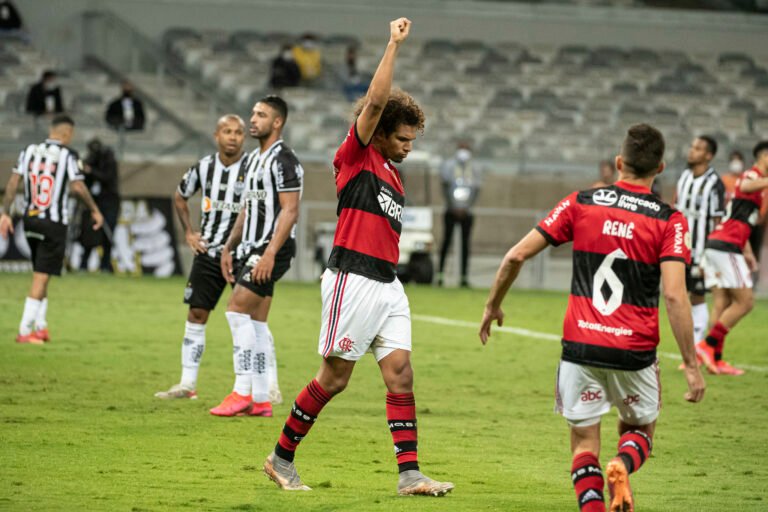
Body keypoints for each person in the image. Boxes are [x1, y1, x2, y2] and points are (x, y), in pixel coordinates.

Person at [262, 18, 454, 497]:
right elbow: (374, 102)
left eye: (413, 140)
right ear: (381, 132)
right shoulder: (357, 155)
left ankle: (410, 475)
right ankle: (280, 458)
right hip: (353, 278)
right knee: (335, 378)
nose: (409, 147)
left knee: (401, 374)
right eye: (403, 139)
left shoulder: (393, 172)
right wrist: (393, 44)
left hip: (388, 284)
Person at [479, 123, 705, 512]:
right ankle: (622, 464)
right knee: (639, 430)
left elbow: (515, 255)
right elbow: (674, 294)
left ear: (619, 163)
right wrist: (691, 364)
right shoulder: (670, 219)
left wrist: (492, 305)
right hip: (634, 351)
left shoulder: (580, 202)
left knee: (584, 444)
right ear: (660, 168)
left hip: (580, 346)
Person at [210, 96, 303, 417]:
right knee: (256, 321)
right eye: (253, 113)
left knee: (236, 310)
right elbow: (247, 208)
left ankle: (241, 391)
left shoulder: (285, 160)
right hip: (250, 248)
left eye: (261, 115)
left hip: (271, 248)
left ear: (277, 122)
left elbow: (290, 211)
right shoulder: (251, 160)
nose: (253, 119)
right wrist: (228, 246)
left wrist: (269, 254)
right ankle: (261, 399)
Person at [154, 115, 248, 400]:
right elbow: (180, 196)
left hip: (242, 255)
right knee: (196, 313)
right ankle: (187, 384)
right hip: (209, 253)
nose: (233, 137)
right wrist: (189, 232)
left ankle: (265, 387)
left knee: (250, 318)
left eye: (238, 132)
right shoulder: (203, 167)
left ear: (244, 138)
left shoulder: (253, 167)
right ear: (216, 135)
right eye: (227, 131)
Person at [0, 115, 104, 344]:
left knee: (42, 272)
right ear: (67, 133)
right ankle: (24, 331)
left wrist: (5, 213)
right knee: (41, 277)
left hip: (29, 221)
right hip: (53, 223)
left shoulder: (28, 151)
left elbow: (13, 182)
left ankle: (41, 326)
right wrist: (95, 210)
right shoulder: (68, 155)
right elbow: (78, 186)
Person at [697, 140, 768, 375]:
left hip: (720, 244)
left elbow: (739, 220)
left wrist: (748, 253)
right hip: (726, 246)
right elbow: (746, 185)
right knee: (745, 302)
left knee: (724, 303)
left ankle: (715, 359)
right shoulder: (752, 176)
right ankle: (707, 345)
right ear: (764, 157)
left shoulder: (758, 184)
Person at [674, 136, 725, 342]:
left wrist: (709, 256)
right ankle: (689, 343)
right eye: (692, 146)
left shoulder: (714, 183)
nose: (691, 151)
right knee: (677, 296)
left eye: (698, 148)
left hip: (700, 253)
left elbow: (717, 221)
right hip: (679, 248)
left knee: (697, 296)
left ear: (708, 155)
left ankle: (696, 345)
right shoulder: (685, 176)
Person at [436, 142, 482, 287]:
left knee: (465, 244)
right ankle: (440, 275)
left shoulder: (474, 167)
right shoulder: (449, 165)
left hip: (467, 212)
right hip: (451, 210)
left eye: (466, 149)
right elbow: (444, 186)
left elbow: (476, 189)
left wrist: (466, 207)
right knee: (446, 242)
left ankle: (463, 277)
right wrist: (452, 206)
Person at [79, 138, 120, 272]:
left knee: (108, 233)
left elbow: (107, 178)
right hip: (94, 201)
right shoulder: (90, 160)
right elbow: (85, 182)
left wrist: (91, 171)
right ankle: (83, 264)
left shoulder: (109, 161)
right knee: (89, 232)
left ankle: (105, 265)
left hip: (109, 201)